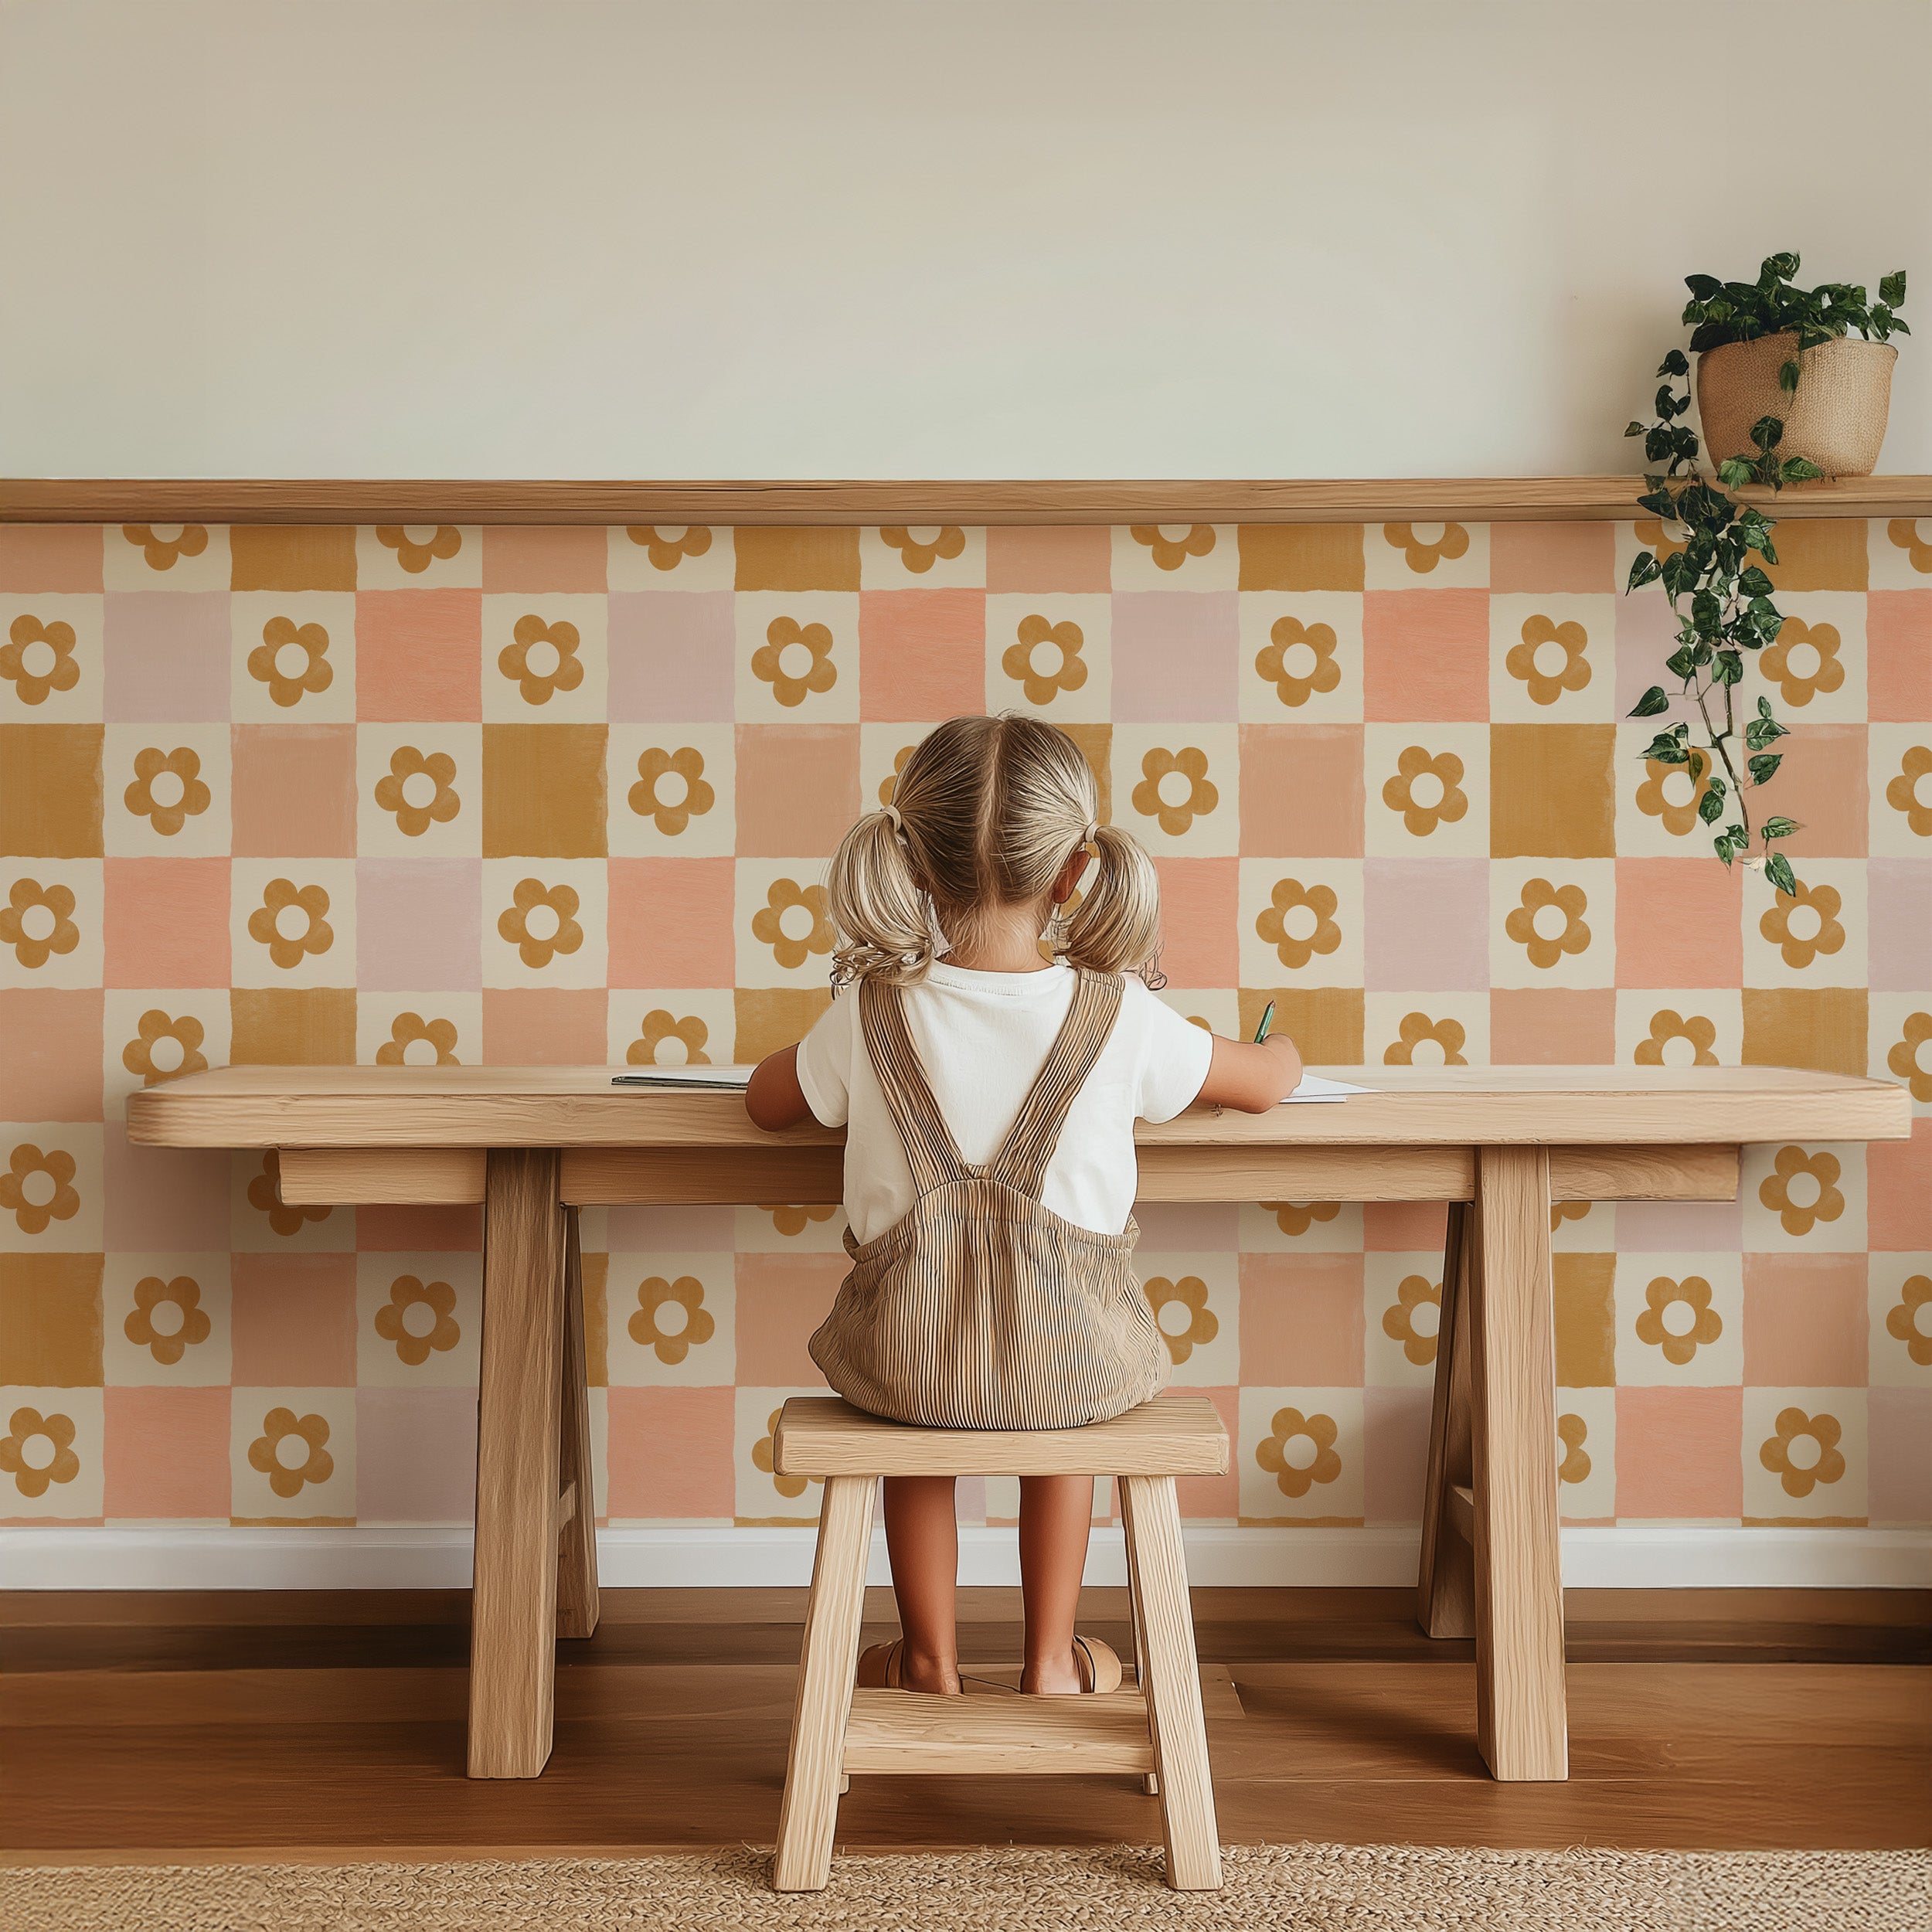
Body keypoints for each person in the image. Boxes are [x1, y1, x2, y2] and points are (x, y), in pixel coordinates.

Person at [746, 713, 1300, 1697]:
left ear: (912, 864)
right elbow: (1256, 1084)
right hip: (1076, 1373)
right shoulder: (1120, 1013)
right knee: (1061, 1385)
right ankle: (1051, 1660)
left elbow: (766, 1103)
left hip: (902, 1368)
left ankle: (926, 1659)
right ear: (1075, 872)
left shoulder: (870, 1010)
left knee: (918, 1405)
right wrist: (1285, 1053)